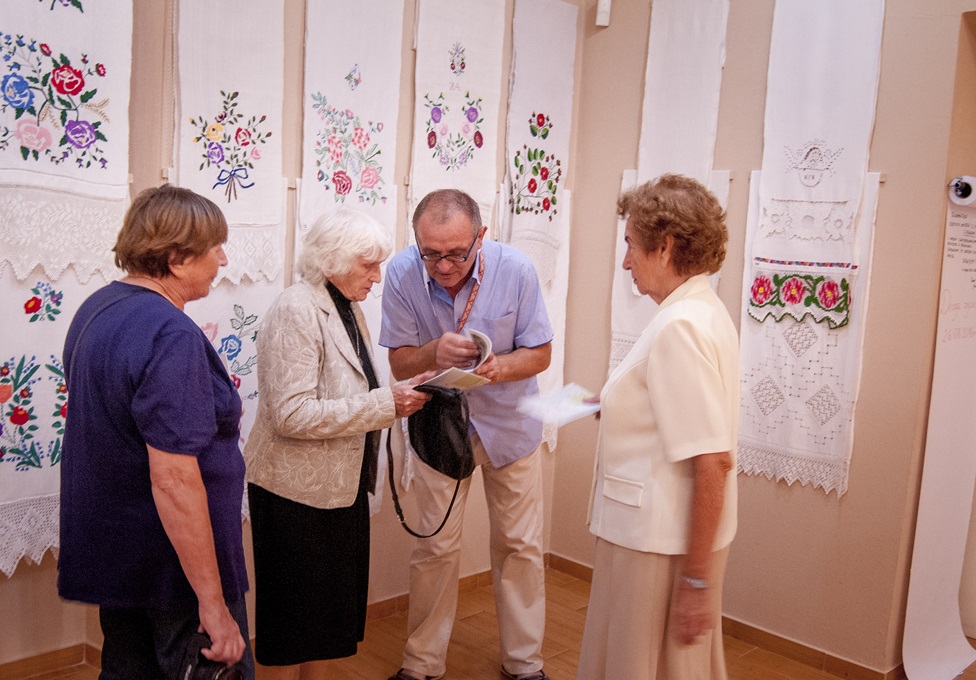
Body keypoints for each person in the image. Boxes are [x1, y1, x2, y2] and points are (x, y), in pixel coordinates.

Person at [58, 184, 254, 678]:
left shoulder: (97, 308)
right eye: (215, 247)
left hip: (122, 556)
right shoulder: (170, 333)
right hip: (174, 570)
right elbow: (173, 478)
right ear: (176, 258)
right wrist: (212, 603)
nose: (223, 259)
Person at [242, 208, 433, 680]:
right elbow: (291, 414)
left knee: (325, 624)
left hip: (337, 489)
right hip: (294, 495)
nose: (377, 277)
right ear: (332, 260)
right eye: (369, 265)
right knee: (292, 629)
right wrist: (386, 404)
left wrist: (400, 393)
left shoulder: (345, 305)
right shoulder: (296, 309)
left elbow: (352, 389)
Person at [380, 189, 554, 680]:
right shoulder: (401, 272)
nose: (444, 266)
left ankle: (524, 664)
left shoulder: (516, 270)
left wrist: (501, 368)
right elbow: (400, 362)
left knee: (519, 545)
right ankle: (422, 665)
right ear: (417, 242)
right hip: (439, 428)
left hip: (510, 425)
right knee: (434, 548)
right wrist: (433, 351)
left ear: (481, 236)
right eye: (431, 254)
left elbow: (540, 354)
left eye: (457, 253)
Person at [575, 174, 739, 680]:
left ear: (664, 248)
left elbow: (713, 460)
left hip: (656, 543)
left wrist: (696, 581)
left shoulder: (679, 326)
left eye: (630, 244)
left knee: (639, 666)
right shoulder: (701, 309)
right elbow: (675, 410)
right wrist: (614, 404)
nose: (625, 262)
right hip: (656, 536)